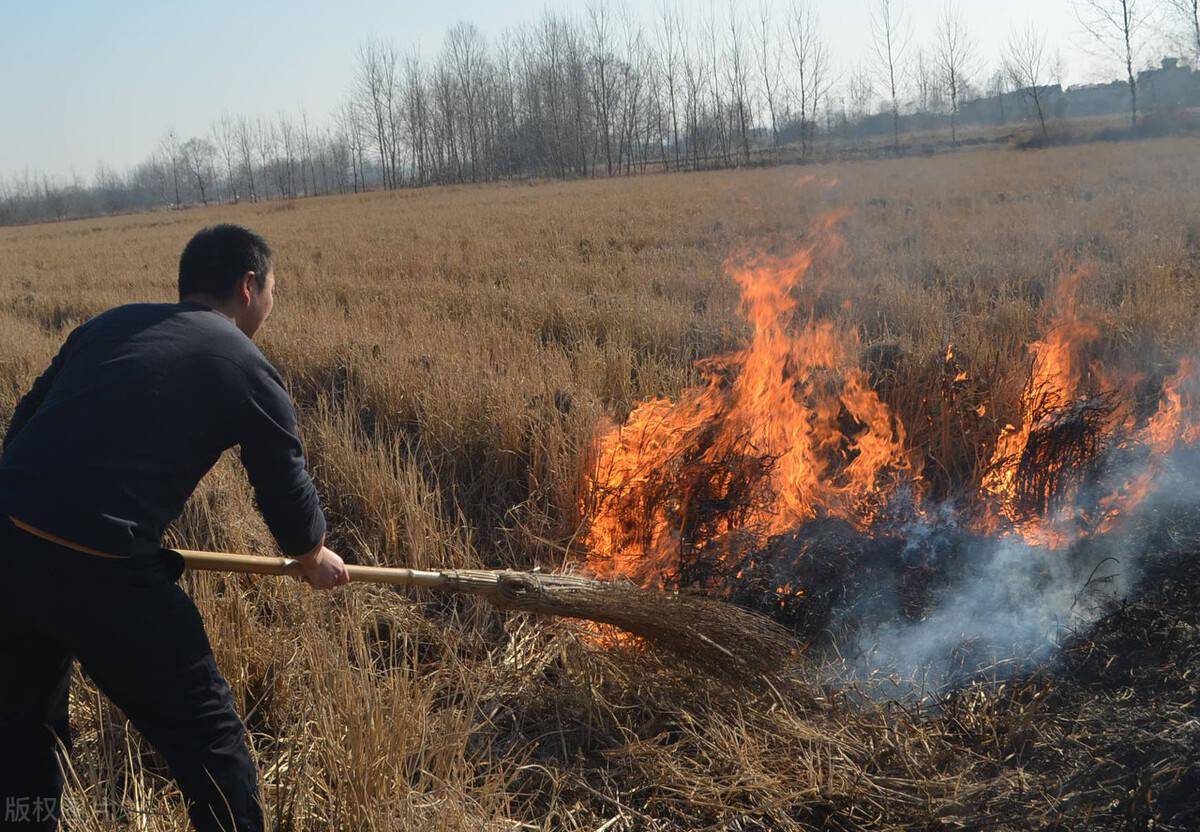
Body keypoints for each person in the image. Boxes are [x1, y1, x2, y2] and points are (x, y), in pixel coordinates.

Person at [0, 224, 349, 832]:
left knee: (22, 727)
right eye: (273, 289)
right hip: (103, 574)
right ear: (248, 286)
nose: (272, 302)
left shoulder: (106, 325)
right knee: (209, 742)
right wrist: (312, 553)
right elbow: (282, 481)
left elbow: (21, 430)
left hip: (9, 543)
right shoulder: (242, 359)